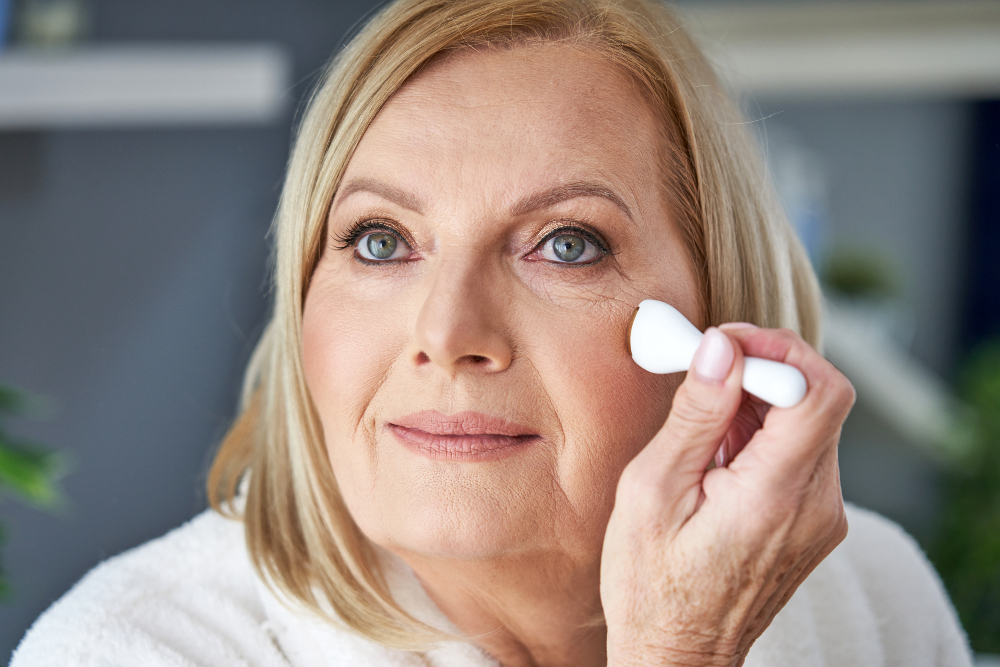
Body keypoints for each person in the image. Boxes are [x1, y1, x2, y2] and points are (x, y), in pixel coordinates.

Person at [11, 0, 973, 665]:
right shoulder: (135, 648)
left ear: (718, 315)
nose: (448, 332)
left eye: (565, 244)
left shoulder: (869, 598)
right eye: (380, 240)